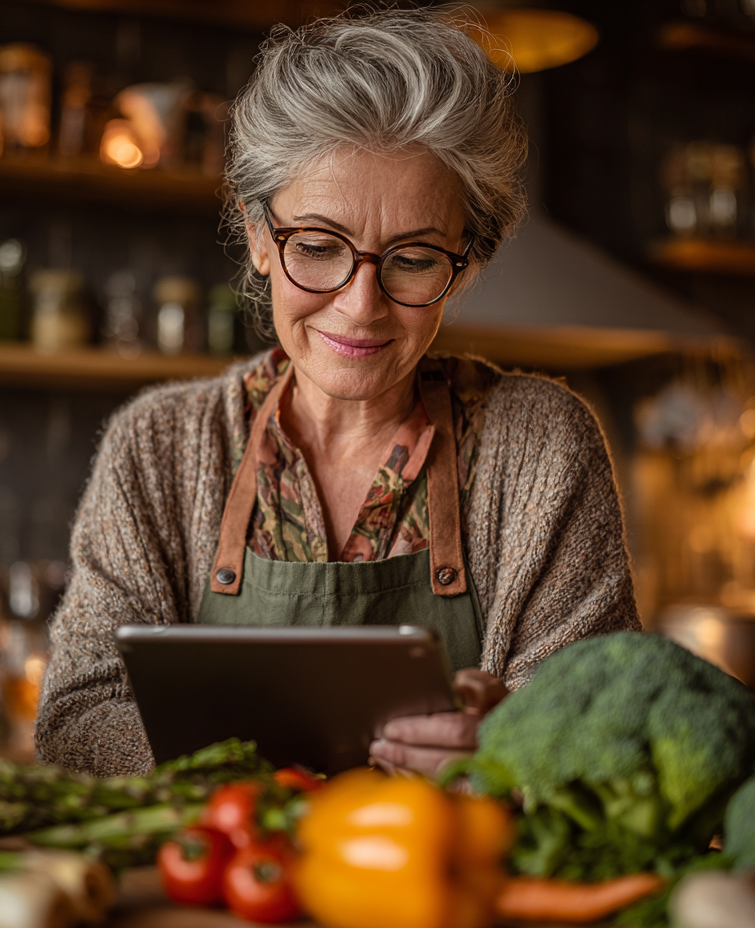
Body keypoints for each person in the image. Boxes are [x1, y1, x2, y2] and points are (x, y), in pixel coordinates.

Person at [36, 8, 640, 778]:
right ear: (258, 233)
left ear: (469, 262)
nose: (361, 305)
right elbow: (77, 720)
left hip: (447, 884)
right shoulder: (158, 446)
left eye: (414, 259)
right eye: (318, 247)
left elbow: (608, 734)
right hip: (223, 888)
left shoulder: (540, 447)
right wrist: (285, 783)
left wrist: (512, 750)